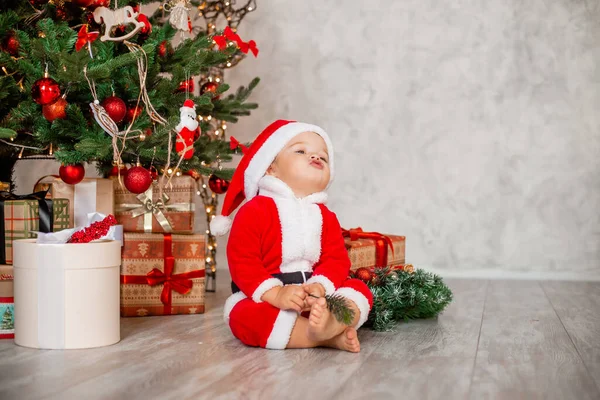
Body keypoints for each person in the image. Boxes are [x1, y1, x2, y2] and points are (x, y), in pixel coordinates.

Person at [211, 120, 373, 352]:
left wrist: (319, 287)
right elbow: (242, 261)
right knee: (242, 316)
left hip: (314, 297)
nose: (315, 157)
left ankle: (328, 322)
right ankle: (323, 337)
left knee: (359, 290)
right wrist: (275, 293)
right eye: (301, 151)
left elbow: (336, 259)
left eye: (323, 157)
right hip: (267, 300)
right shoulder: (254, 210)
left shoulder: (325, 216)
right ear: (270, 167)